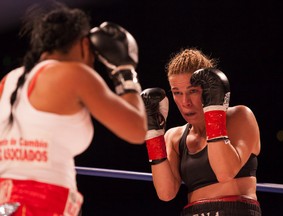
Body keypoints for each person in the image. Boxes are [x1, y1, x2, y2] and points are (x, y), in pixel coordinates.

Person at [0, 2, 147, 216]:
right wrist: (125, 72)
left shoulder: (8, 81)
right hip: (43, 203)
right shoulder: (74, 73)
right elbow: (136, 129)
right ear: (84, 45)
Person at [141, 48, 262, 215]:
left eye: (192, 91)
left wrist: (213, 111)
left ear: (207, 89)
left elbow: (224, 173)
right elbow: (166, 193)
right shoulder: (174, 137)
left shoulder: (239, 117)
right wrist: (153, 134)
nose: (185, 102)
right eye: (177, 93)